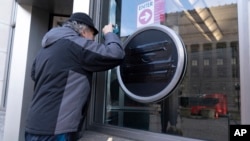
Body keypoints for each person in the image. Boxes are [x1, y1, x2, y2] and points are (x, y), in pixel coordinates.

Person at [25, 12, 125, 141]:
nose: (93, 40)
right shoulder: (75, 44)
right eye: (93, 35)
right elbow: (115, 54)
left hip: (33, 125)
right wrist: (109, 34)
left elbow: (34, 75)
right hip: (56, 130)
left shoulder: (44, 50)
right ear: (84, 32)